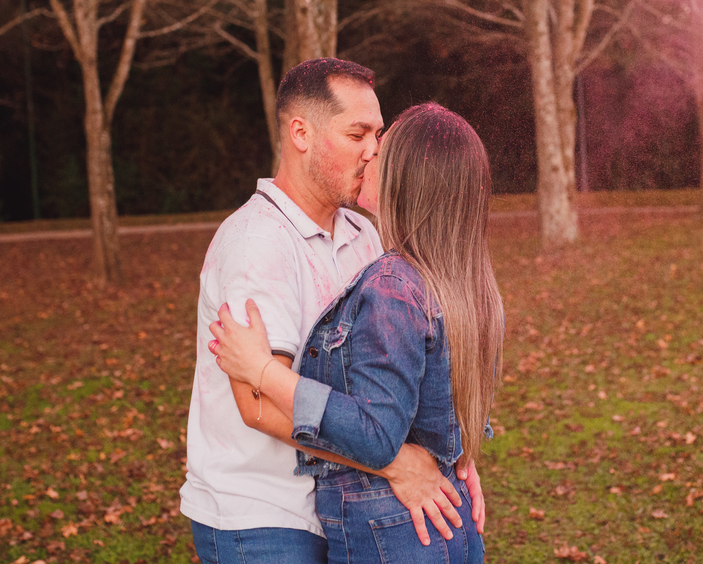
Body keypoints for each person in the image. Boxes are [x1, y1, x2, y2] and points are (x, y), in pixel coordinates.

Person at [180, 60, 482, 564]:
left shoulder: (366, 234)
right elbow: (257, 401)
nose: (374, 150)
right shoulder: (259, 243)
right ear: (301, 132)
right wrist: (395, 463)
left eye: (378, 134)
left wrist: (447, 457)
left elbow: (395, 368)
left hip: (337, 507)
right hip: (262, 517)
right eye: (357, 132)